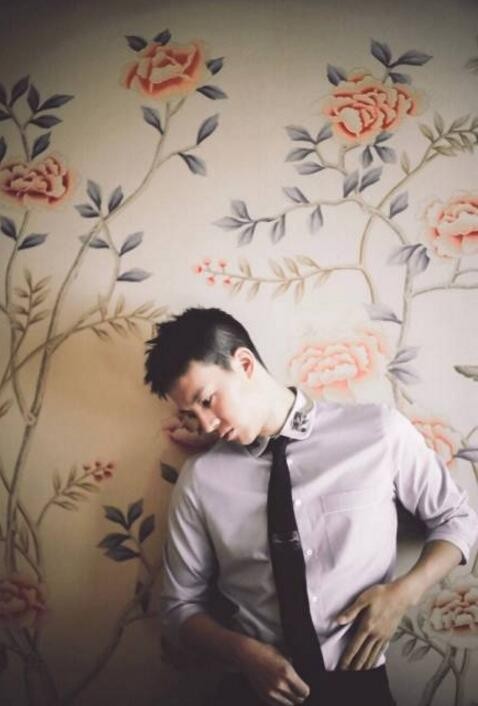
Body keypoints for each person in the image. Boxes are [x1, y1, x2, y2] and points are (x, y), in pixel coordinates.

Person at [144, 307, 477, 706]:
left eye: (207, 400)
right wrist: (244, 654)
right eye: (190, 415)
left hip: (361, 686)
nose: (207, 424)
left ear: (244, 363)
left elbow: (456, 518)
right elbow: (179, 606)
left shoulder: (377, 433)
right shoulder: (201, 479)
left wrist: (404, 593)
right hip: (253, 691)